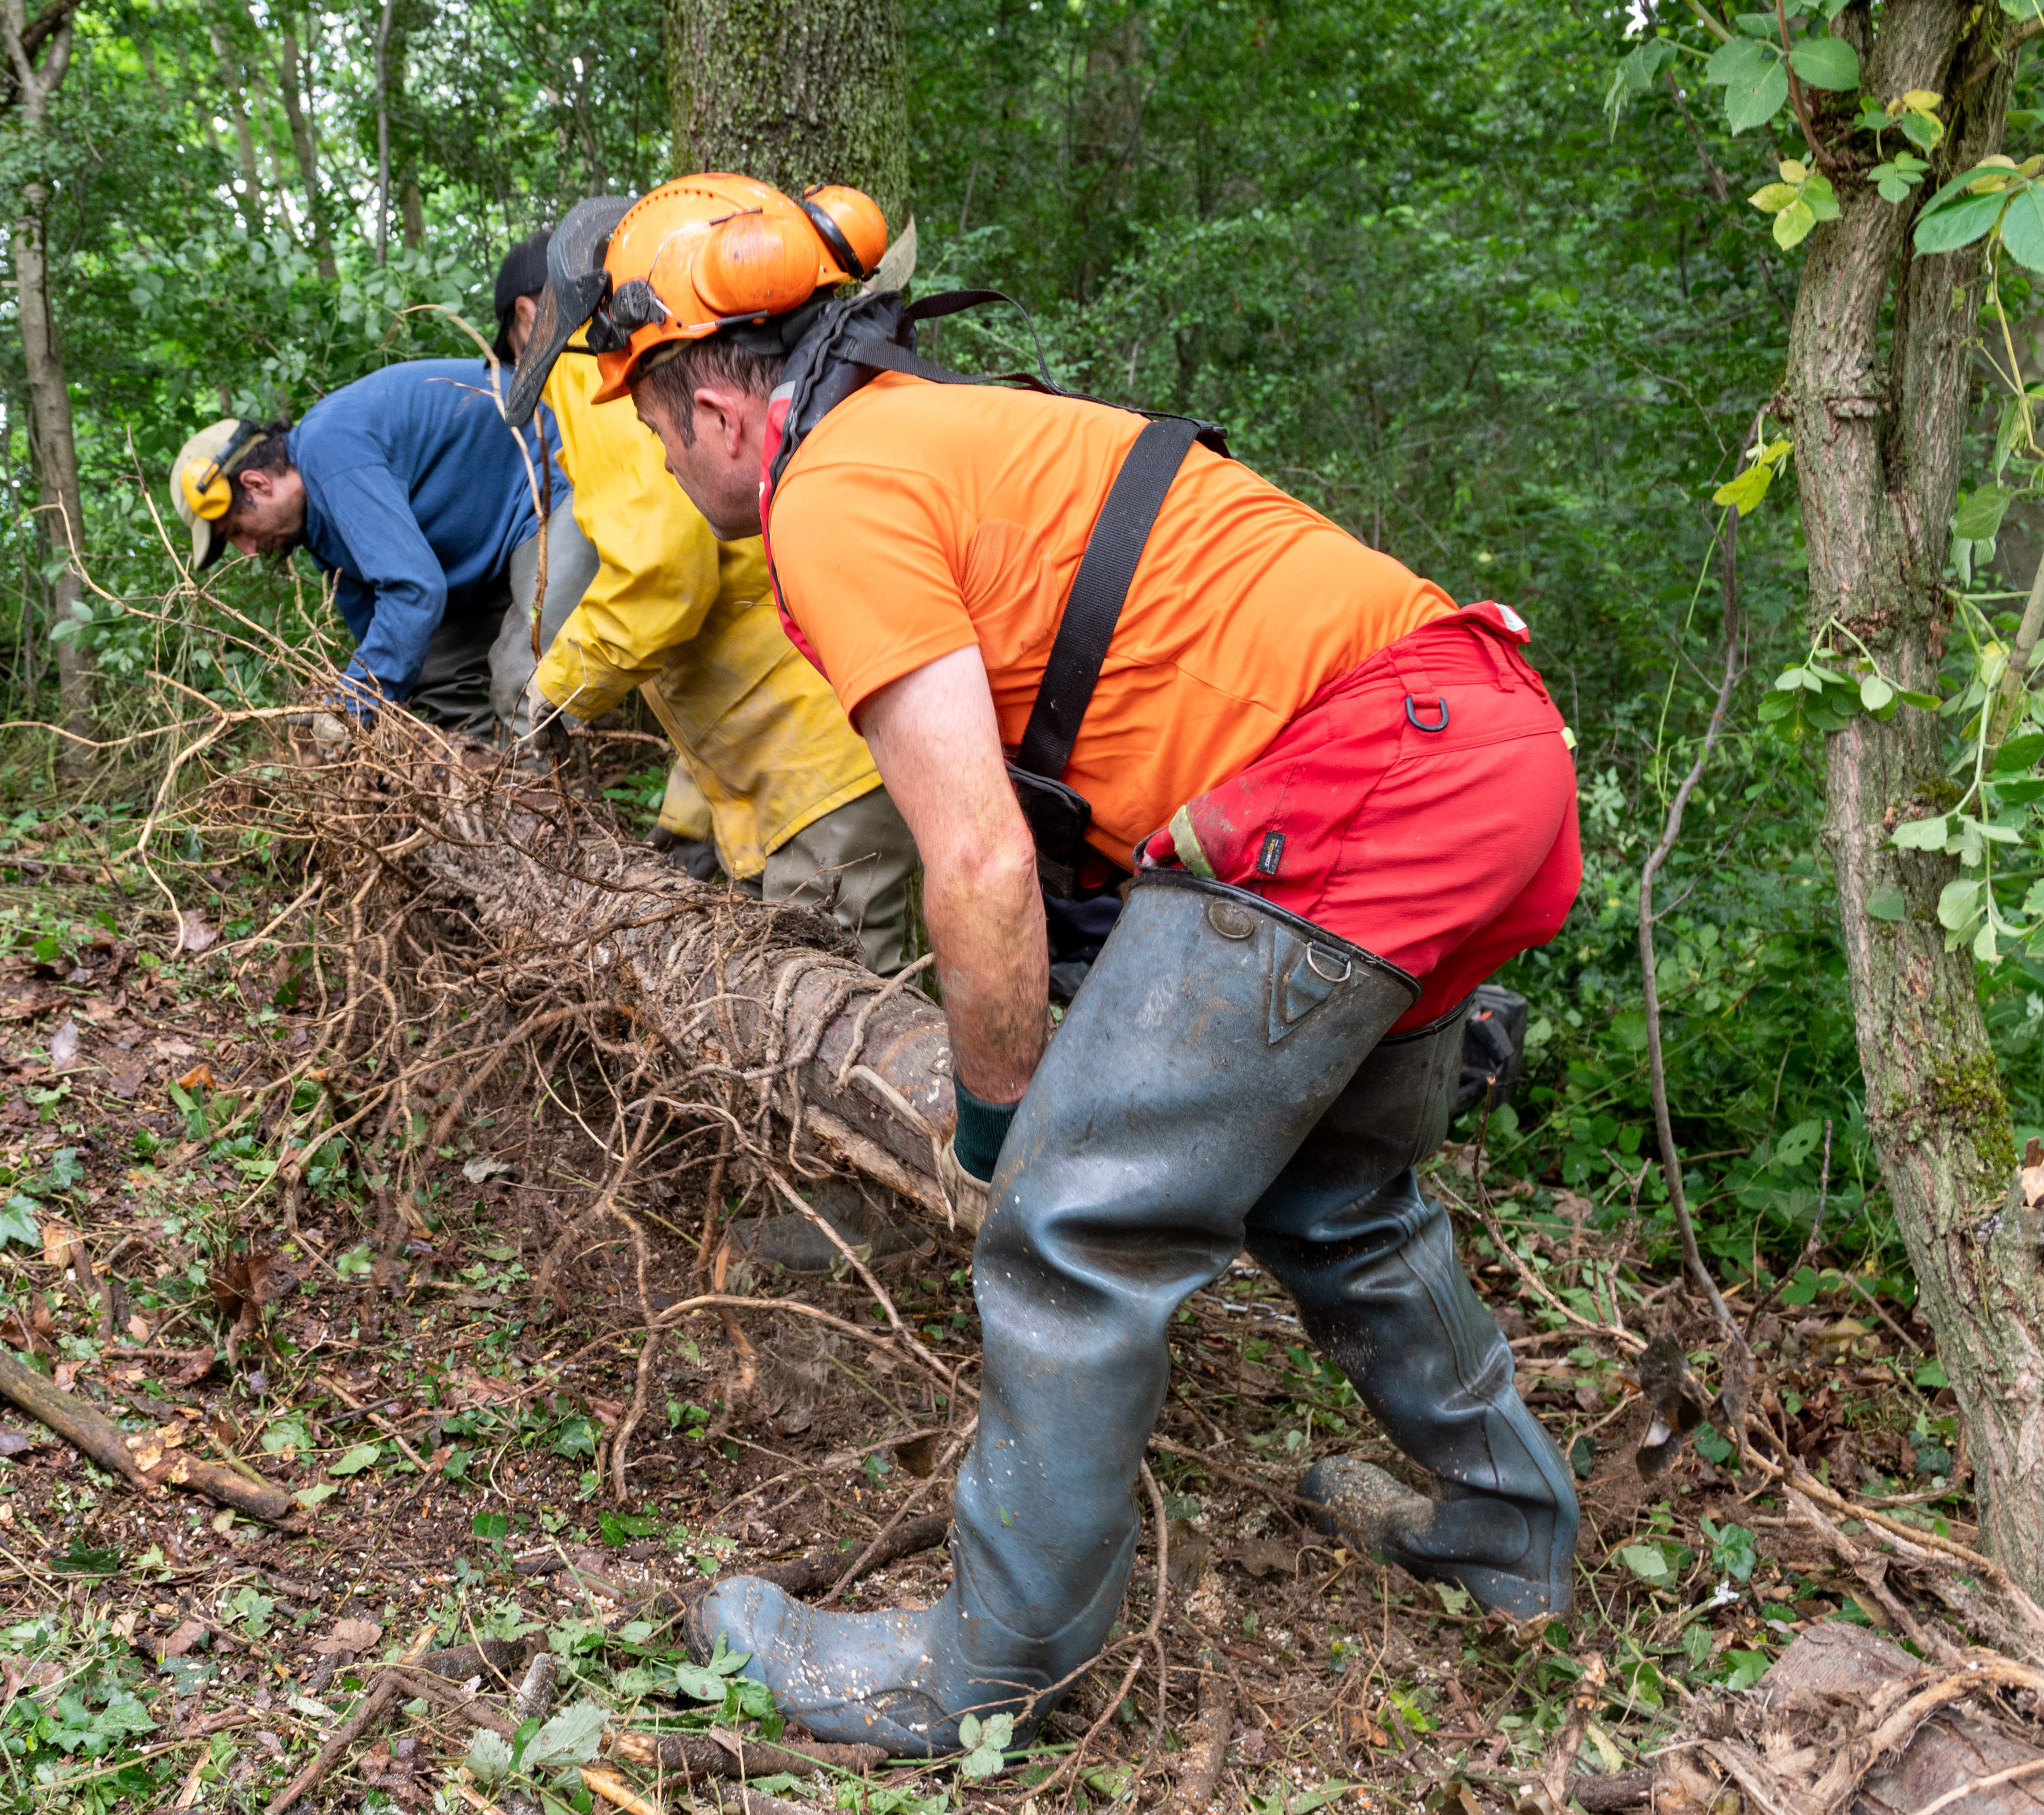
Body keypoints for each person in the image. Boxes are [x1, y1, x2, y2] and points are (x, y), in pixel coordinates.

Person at [505, 173, 1584, 1755]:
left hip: (1360, 790)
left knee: (1071, 1230)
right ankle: (1509, 1528)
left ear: (720, 400)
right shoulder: (954, 432)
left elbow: (980, 860)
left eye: (660, 429)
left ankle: (979, 1675)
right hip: (1486, 743)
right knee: (1340, 1193)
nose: (667, 461)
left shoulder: (835, 494)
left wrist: (1009, 1123)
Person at [482, 230, 921, 972]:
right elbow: (725, 597)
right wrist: (689, 821)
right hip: (816, 758)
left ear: (532, 317)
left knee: (834, 1041)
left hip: (819, 770)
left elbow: (665, 572)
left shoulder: (592, 363)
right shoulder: (676, 348)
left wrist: (545, 698)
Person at [169, 359, 561, 730]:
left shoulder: (330, 450)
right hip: (497, 539)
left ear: (257, 483)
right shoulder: (318, 529)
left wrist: (350, 704)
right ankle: (471, 783)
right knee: (430, 674)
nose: (249, 550)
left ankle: (539, 797)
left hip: (559, 480)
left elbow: (416, 589)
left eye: (236, 530)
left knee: (525, 680)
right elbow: (385, 647)